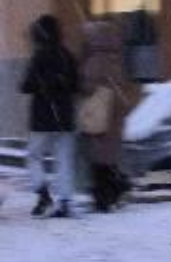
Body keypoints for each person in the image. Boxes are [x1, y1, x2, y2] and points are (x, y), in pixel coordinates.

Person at [19, 14, 79, 218]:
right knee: (64, 159)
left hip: (42, 117)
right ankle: (65, 201)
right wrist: (61, 85)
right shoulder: (67, 55)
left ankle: (43, 193)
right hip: (65, 116)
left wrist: (42, 85)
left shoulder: (39, 56)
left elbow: (25, 85)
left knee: (34, 155)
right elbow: (76, 85)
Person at [79, 19, 132, 212]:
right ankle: (114, 190)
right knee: (108, 159)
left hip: (100, 114)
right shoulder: (115, 57)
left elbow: (88, 86)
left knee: (98, 160)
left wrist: (81, 83)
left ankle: (104, 197)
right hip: (114, 114)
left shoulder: (95, 59)